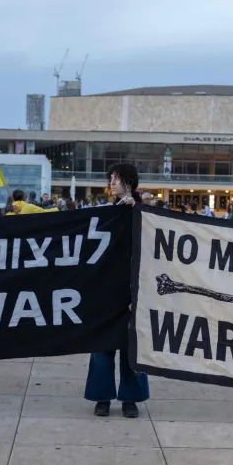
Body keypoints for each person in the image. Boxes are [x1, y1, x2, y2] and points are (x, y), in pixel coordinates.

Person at [85, 163, 149, 418]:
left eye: (116, 178)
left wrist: (138, 294)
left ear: (130, 182)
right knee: (102, 346)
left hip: (132, 291)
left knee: (131, 348)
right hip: (106, 290)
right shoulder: (107, 213)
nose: (111, 183)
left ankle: (130, 399)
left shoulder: (144, 214)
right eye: (110, 178)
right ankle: (102, 397)